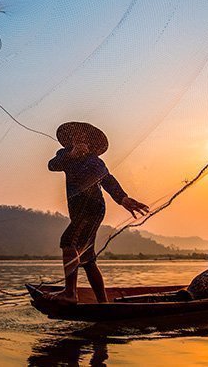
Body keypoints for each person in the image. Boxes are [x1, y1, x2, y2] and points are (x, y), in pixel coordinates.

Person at [45, 122, 149, 304]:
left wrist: (123, 199)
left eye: (84, 138)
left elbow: (107, 180)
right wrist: (71, 155)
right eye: (76, 136)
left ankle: (70, 294)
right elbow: (52, 165)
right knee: (86, 258)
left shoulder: (94, 161)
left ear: (90, 144)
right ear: (70, 140)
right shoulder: (64, 156)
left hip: (93, 207)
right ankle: (103, 302)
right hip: (77, 210)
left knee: (68, 241)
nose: (80, 139)